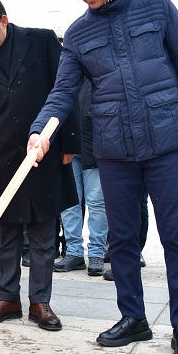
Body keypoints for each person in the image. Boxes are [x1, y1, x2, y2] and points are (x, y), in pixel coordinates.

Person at [30, 0, 178, 354]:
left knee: (177, 238)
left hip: (166, 144)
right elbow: (62, 92)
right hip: (113, 151)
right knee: (121, 240)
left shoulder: (157, 8)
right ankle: (134, 318)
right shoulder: (77, 34)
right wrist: (41, 131)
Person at [0, 0, 79, 331]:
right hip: (1, 158)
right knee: (5, 232)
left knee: (43, 231)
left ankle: (40, 302)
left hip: (43, 151)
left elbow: (65, 89)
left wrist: (67, 140)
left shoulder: (40, 42)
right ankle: (6, 297)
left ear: (4, 21)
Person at [54, 80, 109, 277]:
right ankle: (74, 252)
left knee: (97, 202)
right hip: (69, 145)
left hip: (97, 146)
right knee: (70, 202)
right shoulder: (67, 69)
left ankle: (95, 253)